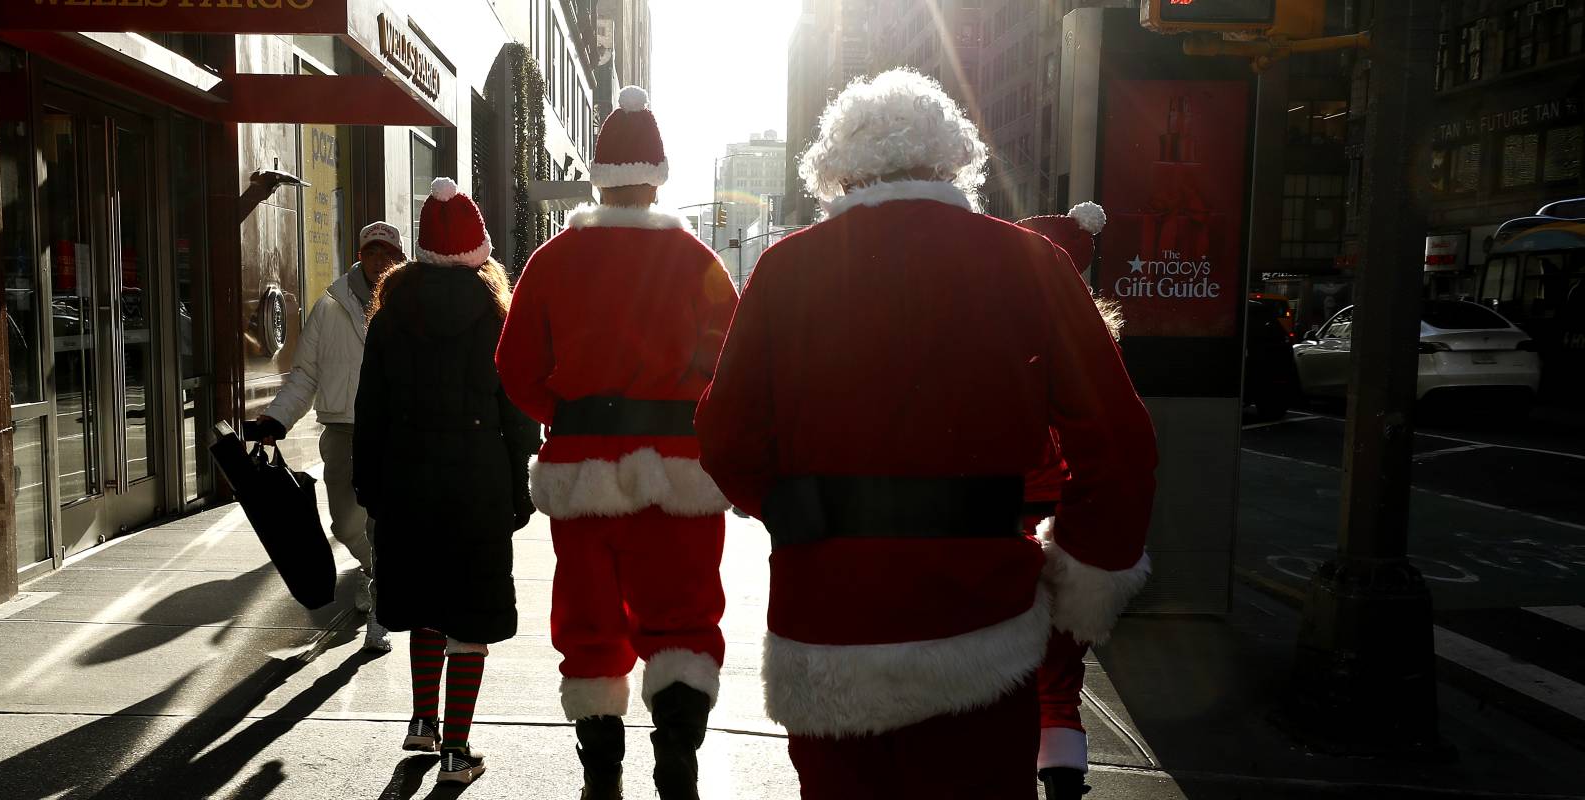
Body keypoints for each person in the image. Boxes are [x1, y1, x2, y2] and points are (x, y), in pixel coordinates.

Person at [695, 69, 1157, 799]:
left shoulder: (788, 269)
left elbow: (723, 435)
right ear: (953, 160)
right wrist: (1083, 569)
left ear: (839, 169)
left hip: (830, 616)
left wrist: (789, 509)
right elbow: (1119, 439)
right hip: (982, 618)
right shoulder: (1032, 263)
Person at [496, 85, 737, 800]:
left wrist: (566, 414)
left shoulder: (553, 260)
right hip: (680, 470)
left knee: (589, 618)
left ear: (599, 175)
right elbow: (733, 365)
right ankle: (678, 760)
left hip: (584, 467)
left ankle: (601, 776)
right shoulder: (699, 261)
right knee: (686, 613)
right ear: (659, 173)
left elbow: (514, 367)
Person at [352, 179, 539, 785]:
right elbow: (517, 415)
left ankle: (422, 722)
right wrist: (520, 488)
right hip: (478, 485)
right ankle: (457, 749)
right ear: (477, 250)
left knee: (427, 604)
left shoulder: (390, 314)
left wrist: (370, 485)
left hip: (407, 480)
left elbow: (371, 409)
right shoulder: (494, 318)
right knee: (470, 613)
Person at [256, 221, 406, 652]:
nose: (380, 260)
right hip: (342, 427)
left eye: (388, 253)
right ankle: (374, 571)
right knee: (345, 522)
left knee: (383, 523)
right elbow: (305, 374)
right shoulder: (331, 305)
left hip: (393, 430)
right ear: (360, 255)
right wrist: (277, 419)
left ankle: (382, 608)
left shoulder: (409, 304)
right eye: (372, 252)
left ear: (398, 258)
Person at [1018, 202, 1120, 800]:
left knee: (999, 669)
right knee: (1059, 674)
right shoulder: (1094, 345)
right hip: (1071, 524)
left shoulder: (987, 339)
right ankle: (1063, 778)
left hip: (1008, 520)